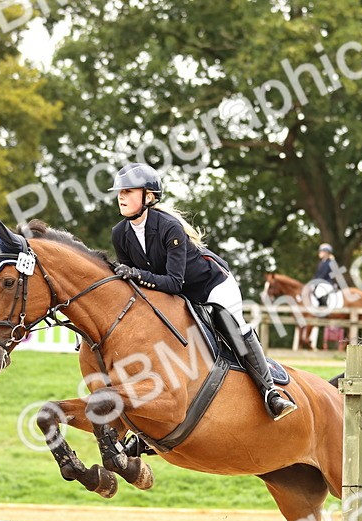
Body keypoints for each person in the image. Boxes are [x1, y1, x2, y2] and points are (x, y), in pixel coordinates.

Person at [108, 163, 296, 420]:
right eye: (120, 191)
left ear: (149, 196)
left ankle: (270, 393)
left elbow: (173, 281)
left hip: (211, 285)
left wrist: (138, 275)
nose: (121, 196)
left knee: (233, 325)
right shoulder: (120, 233)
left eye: (128, 191)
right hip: (176, 295)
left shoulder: (169, 227)